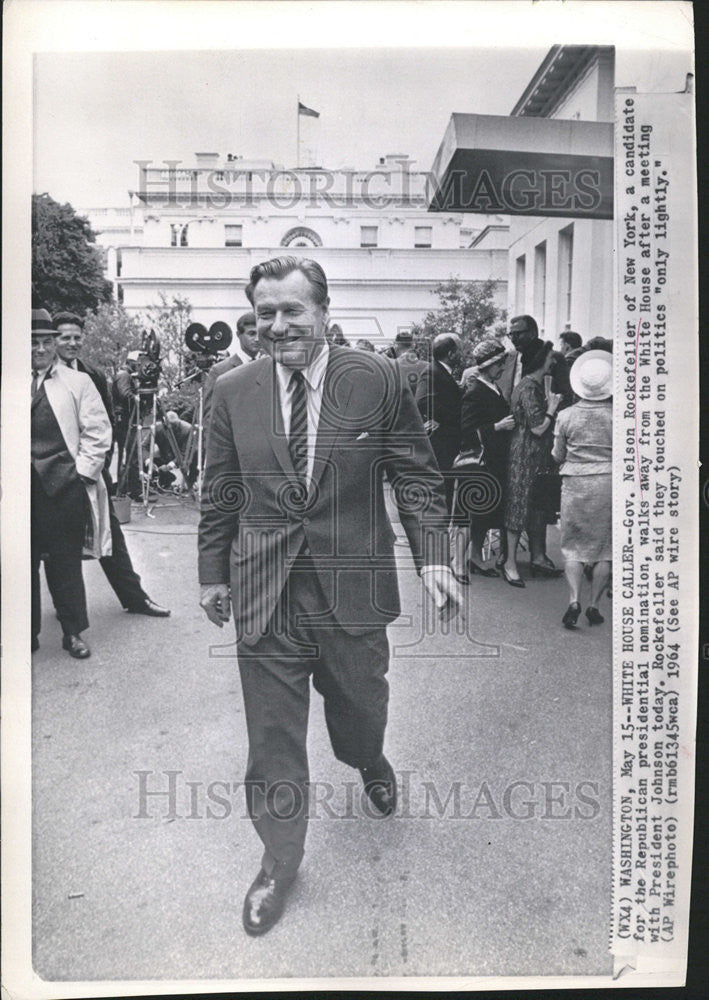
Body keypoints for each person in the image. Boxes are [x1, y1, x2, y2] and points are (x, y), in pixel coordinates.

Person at [198, 256, 459, 936]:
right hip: (267, 592)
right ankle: (279, 861)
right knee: (273, 738)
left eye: (292, 311)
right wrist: (210, 574)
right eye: (265, 314)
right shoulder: (231, 389)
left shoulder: (377, 380)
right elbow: (219, 488)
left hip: (351, 589)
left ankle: (367, 757)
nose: (277, 326)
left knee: (358, 710)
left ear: (323, 310)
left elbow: (416, 477)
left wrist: (433, 555)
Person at [53, 313, 171, 618]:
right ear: (52, 340)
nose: (72, 342)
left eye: (76, 336)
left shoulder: (91, 374)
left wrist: (98, 465)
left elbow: (104, 420)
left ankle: (135, 598)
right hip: (52, 473)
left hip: (91, 468)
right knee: (53, 544)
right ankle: (61, 613)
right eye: (64, 336)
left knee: (111, 537)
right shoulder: (38, 375)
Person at [31, 309, 113, 658]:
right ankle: (26, 633)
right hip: (21, 492)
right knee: (22, 562)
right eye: (33, 343)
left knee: (65, 564)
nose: (40, 349)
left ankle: (73, 633)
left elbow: (98, 432)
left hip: (64, 488)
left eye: (47, 342)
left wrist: (81, 475)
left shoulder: (77, 383)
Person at [552, 350, 613, 628]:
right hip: (607, 482)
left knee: (573, 547)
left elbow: (557, 454)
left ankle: (573, 599)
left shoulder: (565, 415)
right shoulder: (617, 416)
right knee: (605, 549)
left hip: (574, 483)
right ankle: (594, 605)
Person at [502, 340, 563, 587]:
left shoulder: (533, 385)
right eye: (550, 357)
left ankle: (536, 558)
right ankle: (510, 564)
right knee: (518, 507)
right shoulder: (528, 388)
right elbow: (538, 428)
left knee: (536, 508)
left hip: (534, 456)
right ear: (540, 360)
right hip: (525, 455)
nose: (554, 361)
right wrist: (553, 408)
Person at [454, 337, 515, 580]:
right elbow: (466, 431)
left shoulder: (493, 387)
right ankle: (458, 563)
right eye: (499, 364)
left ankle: (475, 558)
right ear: (488, 365)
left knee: (482, 515)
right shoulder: (475, 391)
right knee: (468, 514)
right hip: (477, 464)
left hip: (492, 462)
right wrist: (497, 427)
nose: (502, 368)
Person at [416, 333, 463, 514]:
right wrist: (448, 419)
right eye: (460, 350)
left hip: (445, 446)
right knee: (440, 498)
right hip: (441, 446)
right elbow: (422, 401)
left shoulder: (440, 372)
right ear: (451, 354)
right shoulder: (432, 371)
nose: (462, 354)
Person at [202, 311, 259, 435]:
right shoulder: (220, 371)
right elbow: (210, 418)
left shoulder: (270, 366)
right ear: (238, 335)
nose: (257, 339)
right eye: (252, 334)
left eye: (260, 334)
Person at [498, 314, 572, 407]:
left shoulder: (553, 358)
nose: (513, 339)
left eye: (517, 334)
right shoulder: (508, 358)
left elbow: (566, 395)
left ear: (532, 334)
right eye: (511, 335)